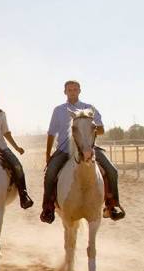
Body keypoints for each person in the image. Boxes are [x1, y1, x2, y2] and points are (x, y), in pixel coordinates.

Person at [41, 80, 126, 223]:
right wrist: (48, 154)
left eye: (75, 89)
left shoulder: (89, 108)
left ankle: (113, 205)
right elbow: (51, 133)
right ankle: (48, 207)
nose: (72, 92)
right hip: (64, 149)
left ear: (79, 91)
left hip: (88, 147)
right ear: (65, 92)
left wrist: (89, 127)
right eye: (69, 90)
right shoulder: (58, 110)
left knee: (112, 170)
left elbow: (101, 129)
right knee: (50, 173)